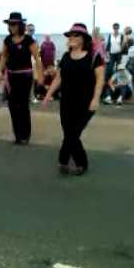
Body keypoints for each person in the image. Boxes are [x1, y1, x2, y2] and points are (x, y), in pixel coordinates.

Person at [42, 23, 104, 175]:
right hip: (66, 102)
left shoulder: (93, 57)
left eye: (76, 35)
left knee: (73, 134)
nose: (72, 38)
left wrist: (95, 99)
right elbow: (58, 79)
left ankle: (74, 161)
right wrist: (48, 95)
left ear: (83, 39)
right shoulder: (65, 57)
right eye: (70, 35)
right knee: (69, 132)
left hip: (85, 103)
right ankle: (66, 161)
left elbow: (100, 79)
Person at [0, 12, 43, 145]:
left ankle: (25, 135)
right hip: (11, 76)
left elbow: (37, 58)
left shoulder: (29, 40)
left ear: (20, 24)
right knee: (12, 106)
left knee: (23, 106)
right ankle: (17, 135)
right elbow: (4, 56)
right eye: (10, 24)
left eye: (14, 24)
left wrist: (40, 76)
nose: (11, 26)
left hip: (25, 76)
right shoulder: (7, 40)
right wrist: (0, 71)